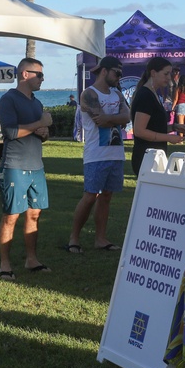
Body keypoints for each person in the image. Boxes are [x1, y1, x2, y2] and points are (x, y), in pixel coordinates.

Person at [0, 57, 53, 280]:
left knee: (34, 214)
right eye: (39, 74)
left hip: (36, 166)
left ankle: (32, 260)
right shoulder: (8, 100)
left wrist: (44, 133)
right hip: (15, 166)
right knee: (11, 216)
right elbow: (10, 132)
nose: (42, 79)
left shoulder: (36, 103)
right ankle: (5, 264)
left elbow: (42, 134)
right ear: (25, 74)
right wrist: (40, 125)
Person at [67, 55, 130, 254]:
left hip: (116, 153)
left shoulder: (117, 95)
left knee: (107, 196)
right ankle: (74, 238)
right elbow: (99, 120)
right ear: (105, 71)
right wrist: (116, 119)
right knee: (90, 196)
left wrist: (111, 118)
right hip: (96, 154)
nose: (119, 77)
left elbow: (127, 117)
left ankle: (100, 239)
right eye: (117, 72)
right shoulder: (89, 94)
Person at [130, 56, 185, 176]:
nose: (169, 78)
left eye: (170, 74)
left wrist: (173, 127)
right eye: (166, 74)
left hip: (154, 156)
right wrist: (168, 138)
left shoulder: (153, 94)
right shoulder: (146, 95)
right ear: (153, 73)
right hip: (146, 157)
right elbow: (139, 131)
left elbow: (154, 126)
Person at [173, 73, 185, 145]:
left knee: (181, 124)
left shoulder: (178, 88)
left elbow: (176, 99)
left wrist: (173, 107)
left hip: (181, 105)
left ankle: (181, 140)